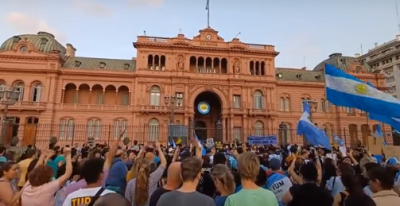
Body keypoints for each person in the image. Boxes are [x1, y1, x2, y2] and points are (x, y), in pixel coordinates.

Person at [125, 142, 167, 206]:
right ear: (149, 168)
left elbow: (127, 201)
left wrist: (141, 150)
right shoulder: (153, 178)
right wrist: (159, 148)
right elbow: (164, 163)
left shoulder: (130, 183)